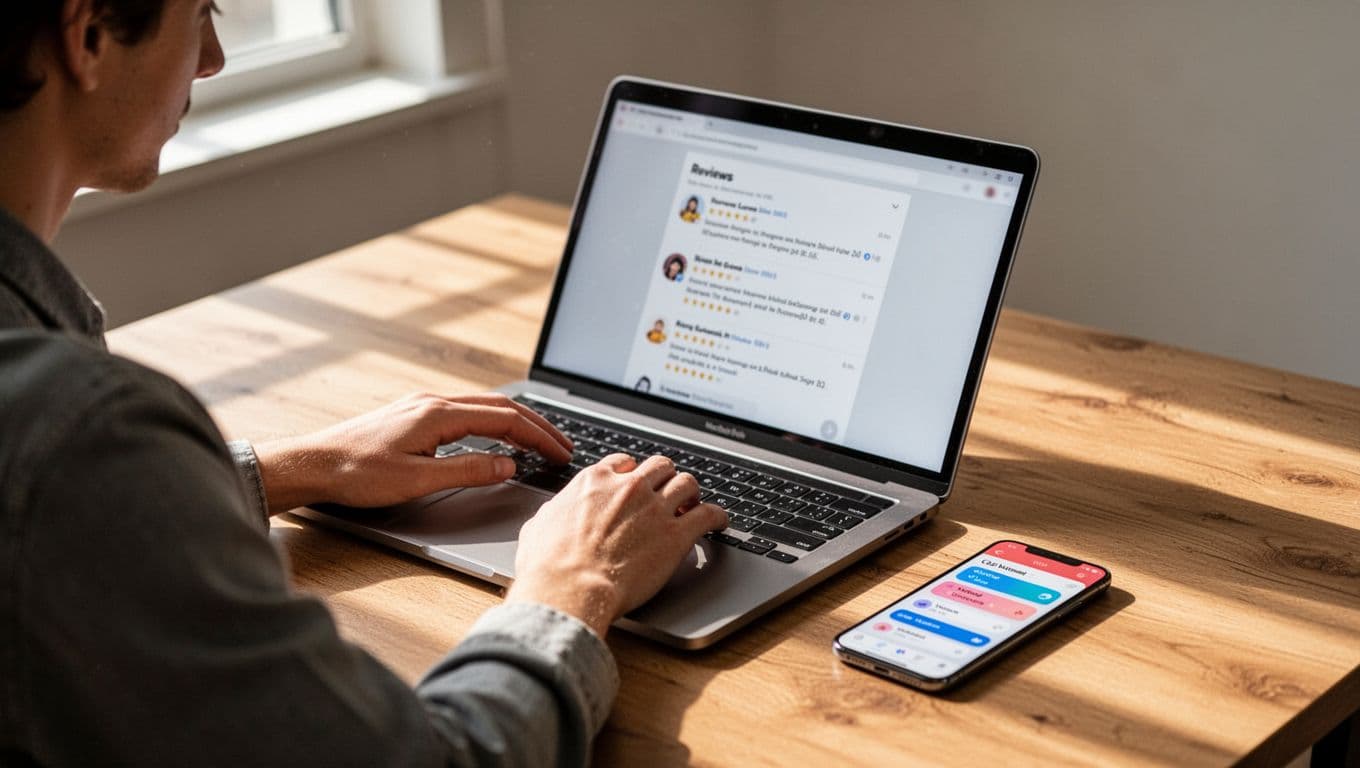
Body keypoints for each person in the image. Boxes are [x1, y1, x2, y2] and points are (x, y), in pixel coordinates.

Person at [0, 2, 727, 766]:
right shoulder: (78, 434)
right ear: (86, 37)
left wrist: (295, 469)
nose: (211, 58)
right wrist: (572, 586)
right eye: (202, 10)